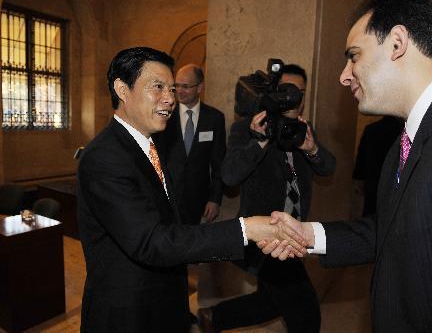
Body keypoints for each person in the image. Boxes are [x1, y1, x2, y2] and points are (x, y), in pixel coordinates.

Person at [264, 0, 432, 332]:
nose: (344, 76)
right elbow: (393, 229)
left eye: (354, 57)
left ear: (397, 43)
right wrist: (307, 234)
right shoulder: (404, 138)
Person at [76, 47, 307, 333]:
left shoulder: (150, 143)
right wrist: (245, 229)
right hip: (128, 313)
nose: (170, 99)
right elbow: (152, 241)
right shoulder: (104, 157)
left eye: (172, 88)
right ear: (123, 89)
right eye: (158, 87)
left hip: (164, 301)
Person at [199, 64, 336, 333]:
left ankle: (214, 318)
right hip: (264, 238)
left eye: (300, 92)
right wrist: (259, 141)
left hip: (294, 236)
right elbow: (229, 176)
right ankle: (214, 318)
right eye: (287, 91)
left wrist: (312, 149)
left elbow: (328, 167)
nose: (294, 98)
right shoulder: (247, 128)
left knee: (273, 302)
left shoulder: (303, 129)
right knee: (306, 312)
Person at [155, 64, 225, 225]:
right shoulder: (163, 115)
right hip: (167, 197)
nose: (179, 91)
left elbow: (218, 163)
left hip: (198, 200)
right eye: (176, 86)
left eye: (185, 86)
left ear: (200, 87)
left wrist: (215, 200)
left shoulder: (214, 118)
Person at [352, 116, 403, 216]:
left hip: (372, 182)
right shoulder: (404, 132)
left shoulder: (371, 129)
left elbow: (361, 158)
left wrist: (359, 178)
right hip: (394, 184)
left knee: (369, 216)